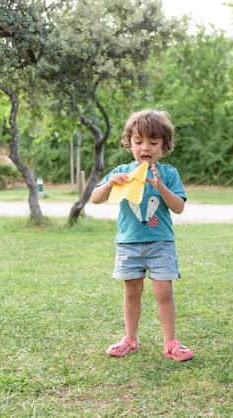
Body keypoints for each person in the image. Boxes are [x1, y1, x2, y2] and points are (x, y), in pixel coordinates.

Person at [91, 109, 194, 361]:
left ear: (164, 145)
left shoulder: (168, 174)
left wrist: (162, 187)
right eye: (138, 141)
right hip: (129, 244)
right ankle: (130, 339)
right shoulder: (122, 172)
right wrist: (109, 183)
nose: (145, 147)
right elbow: (95, 198)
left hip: (161, 243)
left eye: (153, 142)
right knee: (132, 291)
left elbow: (178, 207)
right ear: (130, 143)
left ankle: (170, 342)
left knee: (163, 292)